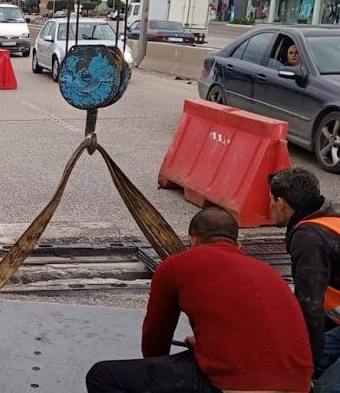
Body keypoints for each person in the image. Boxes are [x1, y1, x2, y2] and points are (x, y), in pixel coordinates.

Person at [86, 207, 313, 392]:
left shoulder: (176, 265)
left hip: (234, 383)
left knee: (102, 376)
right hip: (299, 384)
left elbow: (156, 339)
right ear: (238, 245)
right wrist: (205, 345)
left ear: (192, 241)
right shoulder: (269, 272)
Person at [269, 168, 340, 383]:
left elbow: (310, 306)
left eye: (271, 200)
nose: (269, 207)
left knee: (325, 385)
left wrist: (306, 364)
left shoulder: (309, 238)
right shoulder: (330, 215)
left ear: (281, 203)